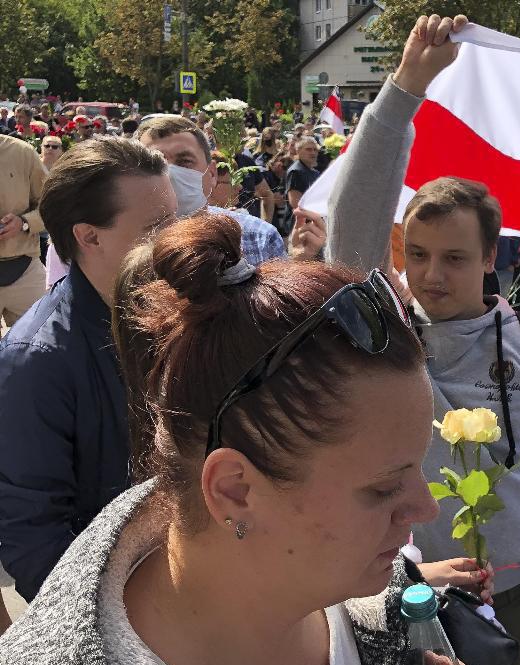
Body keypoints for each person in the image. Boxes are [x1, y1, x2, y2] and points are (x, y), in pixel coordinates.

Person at [0, 212, 458, 665]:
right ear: (234, 490)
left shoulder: (372, 595)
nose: (426, 508)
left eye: (416, 467)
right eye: (382, 489)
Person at [323, 16, 520, 665]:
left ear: (487, 259)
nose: (430, 274)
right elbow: (351, 231)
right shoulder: (384, 330)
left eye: (453, 257)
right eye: (417, 254)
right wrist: (406, 86)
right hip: (411, 594)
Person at [0, 137, 177, 601]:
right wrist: (128, 622)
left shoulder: (176, 313)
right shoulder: (36, 361)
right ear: (89, 236)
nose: (176, 240)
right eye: (157, 227)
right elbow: (36, 541)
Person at [137, 114, 286, 265]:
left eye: (185, 162)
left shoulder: (258, 238)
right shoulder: (121, 239)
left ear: (212, 173)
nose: (170, 173)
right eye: (155, 163)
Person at [0, 133, 47, 332]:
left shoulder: (23, 152)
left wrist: (24, 223)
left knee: (36, 346)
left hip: (24, 270)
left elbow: (50, 204)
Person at [284, 137, 321, 234]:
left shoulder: (315, 173)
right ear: (298, 151)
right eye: (308, 149)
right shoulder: (296, 171)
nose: (313, 153)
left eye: (315, 150)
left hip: (313, 223)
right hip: (300, 225)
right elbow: (295, 203)